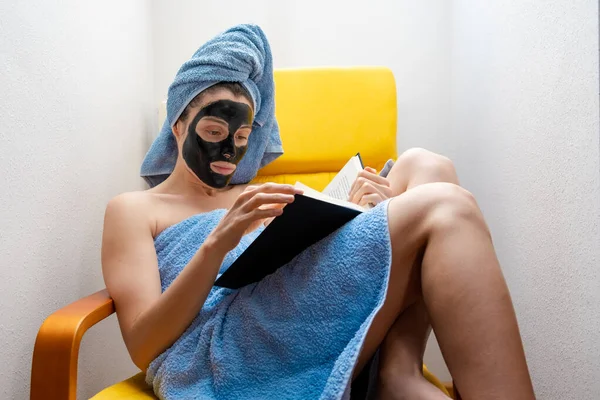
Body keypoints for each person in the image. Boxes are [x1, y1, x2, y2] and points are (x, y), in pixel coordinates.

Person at [102, 25, 535, 400]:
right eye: (214, 131)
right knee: (447, 204)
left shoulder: (260, 193)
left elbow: (296, 262)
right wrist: (219, 241)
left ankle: (396, 371)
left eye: (242, 135)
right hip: (231, 344)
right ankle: (394, 378)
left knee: (428, 165)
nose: (229, 150)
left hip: (294, 305)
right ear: (177, 126)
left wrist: (359, 212)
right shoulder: (135, 209)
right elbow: (144, 345)